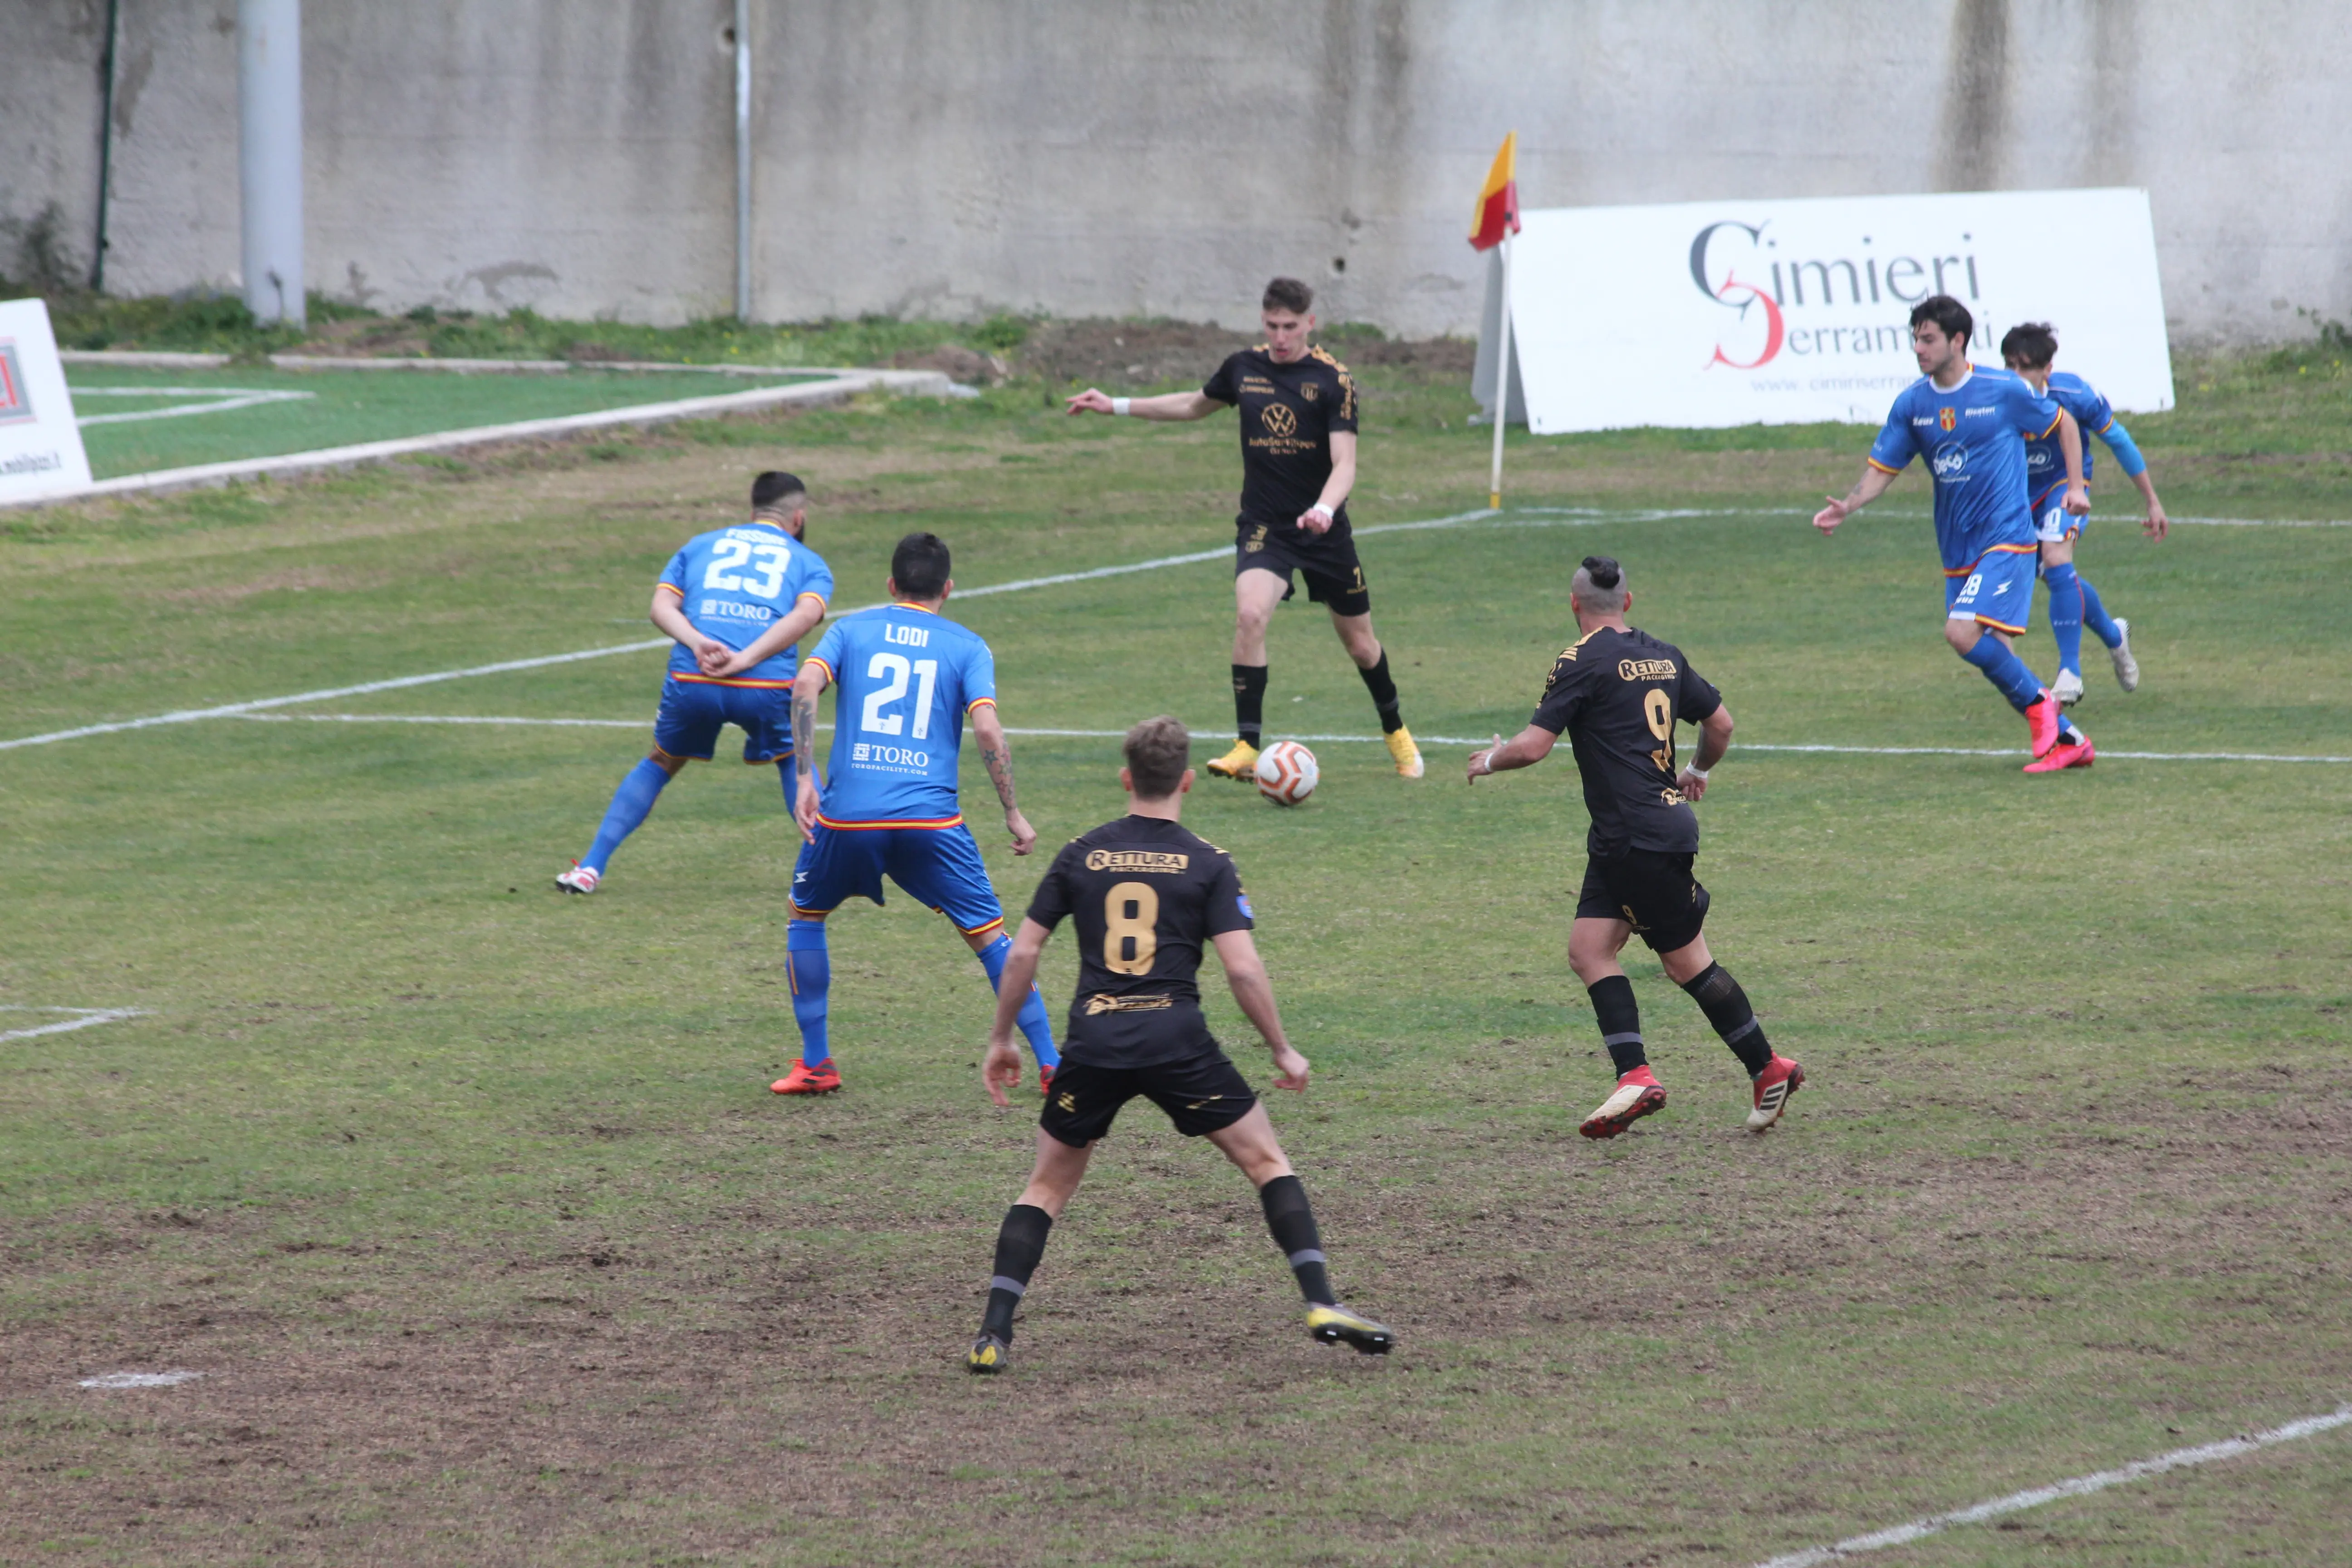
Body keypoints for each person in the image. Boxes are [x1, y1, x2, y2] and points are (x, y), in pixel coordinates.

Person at [965, 715, 1394, 1373]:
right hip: (1178, 1041)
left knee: (1045, 1190)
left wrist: (1001, 1038)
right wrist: (1282, 1048)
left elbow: (1023, 951)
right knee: (1268, 1163)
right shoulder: (1208, 862)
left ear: (1125, 777)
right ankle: (1321, 1301)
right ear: (1188, 781)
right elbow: (1244, 969)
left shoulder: (1081, 853)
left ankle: (993, 1335)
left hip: (1096, 1042)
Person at [1465, 558, 1804, 1139]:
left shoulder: (1578, 660)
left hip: (1635, 839)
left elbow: (1534, 747)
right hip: (1640, 834)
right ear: (1629, 602)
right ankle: (1752, 1069)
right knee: (1590, 949)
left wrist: (1491, 760)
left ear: (1574, 605)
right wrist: (1695, 769)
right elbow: (1719, 724)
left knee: (1687, 963)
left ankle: (1667, 1074)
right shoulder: (1665, 655)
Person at [1063, 277, 1423, 784]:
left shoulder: (1332, 380)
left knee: (1362, 646)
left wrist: (1323, 508)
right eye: (1273, 326)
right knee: (1250, 615)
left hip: (1324, 530)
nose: (1280, 337)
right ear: (1264, 321)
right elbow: (1191, 405)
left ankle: (1396, 732)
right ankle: (1247, 746)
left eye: (1291, 327)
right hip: (1266, 526)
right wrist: (1116, 404)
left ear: (1310, 324)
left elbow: (1345, 463)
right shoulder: (1243, 369)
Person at [774, 531, 1060, 1095]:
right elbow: (986, 728)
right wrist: (1013, 811)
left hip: (849, 817)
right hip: (931, 822)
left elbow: (805, 681)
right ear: (947, 589)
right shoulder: (967, 646)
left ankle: (817, 1064)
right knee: (990, 937)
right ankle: (1054, 1064)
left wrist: (806, 775)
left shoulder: (851, 630)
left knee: (806, 916)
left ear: (890, 585)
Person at [1812, 296, 2097, 774]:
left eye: (1928, 339)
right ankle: (2071, 743)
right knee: (2000, 659)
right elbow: (1886, 467)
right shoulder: (1914, 404)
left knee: (1960, 632)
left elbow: (2063, 422)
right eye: (1915, 339)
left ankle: (2042, 709)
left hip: (2007, 538)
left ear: (1957, 340)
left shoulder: (2001, 389)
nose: (1918, 348)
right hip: (1958, 547)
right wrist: (1849, 506)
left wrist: (2074, 487)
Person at [557, 472, 832, 894]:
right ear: (798, 516)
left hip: (695, 676)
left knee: (663, 760)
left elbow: (661, 607)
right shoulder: (810, 563)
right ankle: (829, 867)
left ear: (752, 511)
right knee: (794, 759)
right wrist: (746, 658)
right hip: (763, 687)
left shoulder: (700, 544)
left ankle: (590, 868)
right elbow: (806, 616)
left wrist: (700, 642)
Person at [1999, 321, 2167, 708]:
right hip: (2016, 494)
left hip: (2065, 486)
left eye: (2026, 367)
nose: (2017, 376)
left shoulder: (2074, 394)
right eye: (2011, 366)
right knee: (2055, 575)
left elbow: (2119, 440)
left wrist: (2152, 500)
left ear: (2047, 370)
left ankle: (2069, 673)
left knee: (2057, 557)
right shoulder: (1996, 395)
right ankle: (2113, 636)